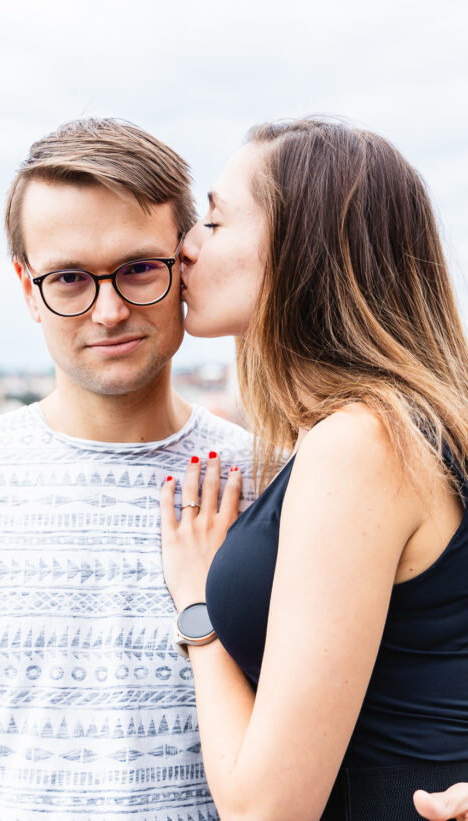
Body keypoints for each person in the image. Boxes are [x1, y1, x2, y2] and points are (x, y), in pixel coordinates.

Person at [0, 118, 254, 820]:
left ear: (185, 261)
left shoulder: (273, 480)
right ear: (27, 286)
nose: (108, 311)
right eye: (69, 278)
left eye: (138, 269)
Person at [160, 119, 468, 820]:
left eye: (214, 220)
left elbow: (265, 808)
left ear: (301, 248)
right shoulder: (401, 425)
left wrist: (197, 610)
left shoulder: (363, 441)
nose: (185, 246)